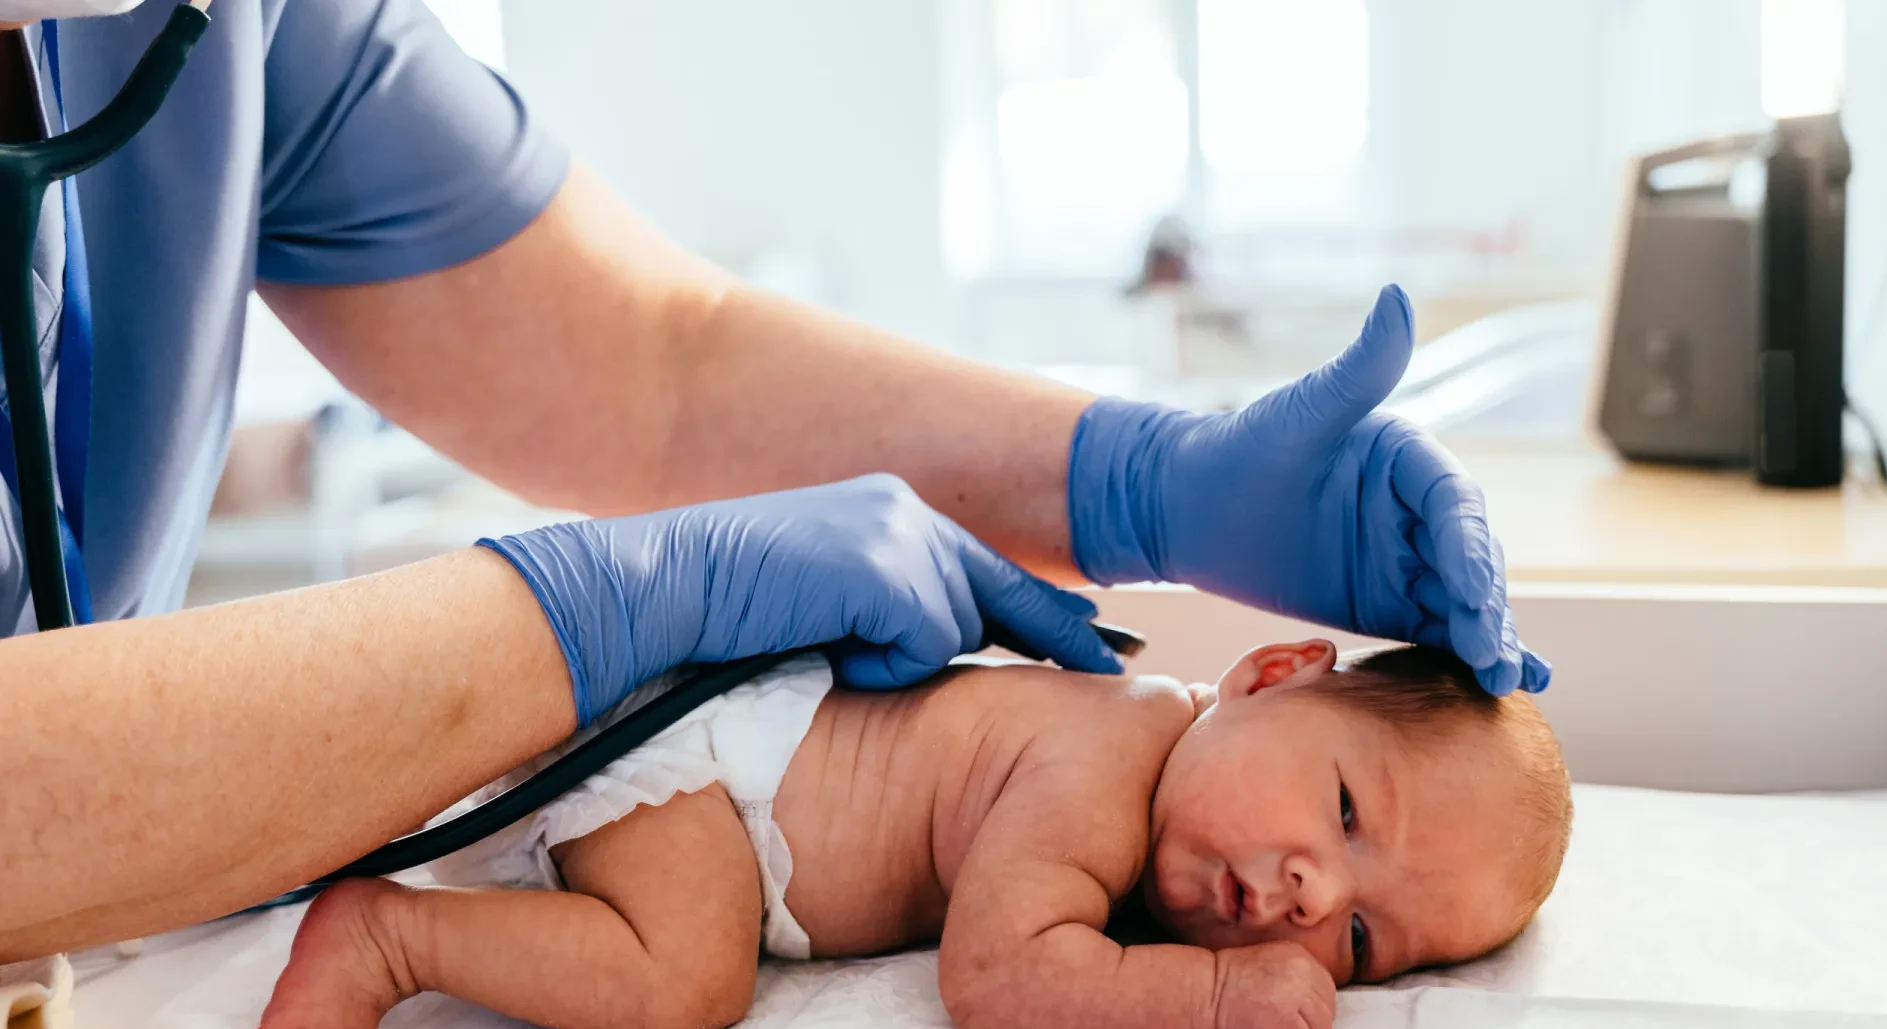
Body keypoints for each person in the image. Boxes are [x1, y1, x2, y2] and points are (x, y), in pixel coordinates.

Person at [0, 0, 1547, 964]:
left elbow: (661, 360)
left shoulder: (224, 24)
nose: (1298, 899)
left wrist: (1141, 482)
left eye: (1358, 937)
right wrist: (588, 613)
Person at [246, 642, 1570, 1029]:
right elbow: (996, 979)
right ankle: (391, 935)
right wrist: (1216, 1003)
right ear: (1270, 675)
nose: (1312, 895)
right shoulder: (1105, 762)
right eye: (1345, 809)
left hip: (730, 792)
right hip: (711, 777)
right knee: (685, 980)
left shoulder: (1157, 828)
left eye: (1359, 940)